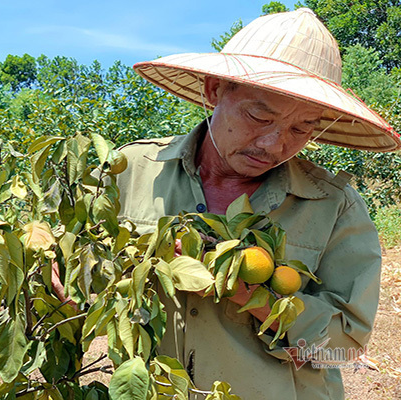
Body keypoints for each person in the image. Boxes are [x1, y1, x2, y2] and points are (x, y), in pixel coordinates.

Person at [116, 8, 401, 400]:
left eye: (301, 128)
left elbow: (344, 348)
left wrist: (251, 296)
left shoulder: (332, 205)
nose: (274, 144)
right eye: (258, 116)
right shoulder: (130, 171)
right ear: (215, 90)